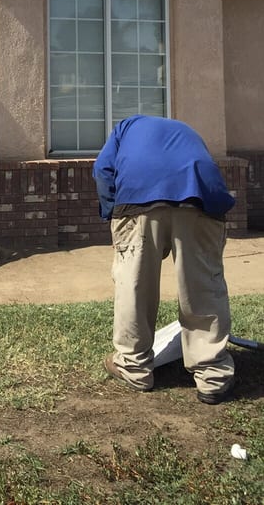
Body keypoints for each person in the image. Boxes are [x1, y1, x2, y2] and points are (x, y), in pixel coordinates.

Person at [93, 114, 236, 404]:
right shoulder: (188, 131)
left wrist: (113, 214)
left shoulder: (124, 128)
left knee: (134, 284)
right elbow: (206, 167)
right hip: (201, 198)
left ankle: (133, 367)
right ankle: (212, 375)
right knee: (203, 285)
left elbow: (103, 169)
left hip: (138, 198)